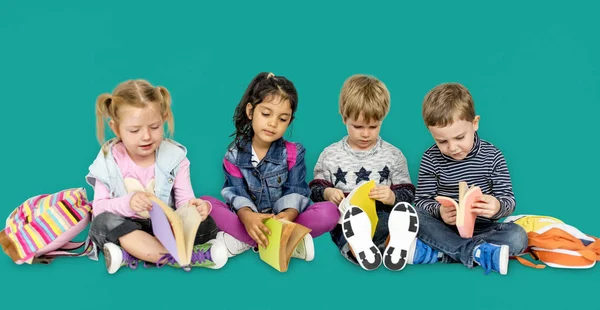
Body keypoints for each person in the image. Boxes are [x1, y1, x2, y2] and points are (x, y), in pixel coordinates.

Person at [86, 79, 228, 274]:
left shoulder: (175, 157)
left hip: (166, 230)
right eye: (135, 130)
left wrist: (198, 208)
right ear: (116, 128)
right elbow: (99, 207)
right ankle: (184, 258)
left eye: (154, 127)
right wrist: (129, 203)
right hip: (129, 228)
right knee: (103, 223)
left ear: (164, 119)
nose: (146, 136)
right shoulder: (108, 161)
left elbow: (184, 201)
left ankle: (131, 256)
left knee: (207, 225)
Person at [205, 72, 339, 260]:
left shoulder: (293, 152)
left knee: (330, 212)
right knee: (205, 204)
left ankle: (247, 242)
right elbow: (235, 192)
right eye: (266, 114)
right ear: (250, 111)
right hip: (247, 221)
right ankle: (283, 243)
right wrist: (248, 217)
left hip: (283, 221)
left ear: (289, 121)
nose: (273, 123)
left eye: (282, 119)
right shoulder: (233, 156)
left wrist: (288, 215)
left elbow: (296, 190)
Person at [412, 82, 528, 275]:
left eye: (459, 137)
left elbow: (508, 200)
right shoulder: (430, 158)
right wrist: (439, 211)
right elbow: (421, 202)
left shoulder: (493, 156)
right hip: (444, 229)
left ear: (475, 123)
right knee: (412, 215)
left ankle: (443, 253)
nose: (452, 147)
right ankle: (475, 252)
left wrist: (497, 207)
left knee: (517, 237)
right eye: (442, 141)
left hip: (484, 230)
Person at [309, 74, 419, 271]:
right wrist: (327, 193)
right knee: (342, 229)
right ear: (344, 118)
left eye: (373, 126)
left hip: (380, 213)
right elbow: (315, 188)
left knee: (388, 223)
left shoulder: (393, 155)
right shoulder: (330, 154)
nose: (365, 133)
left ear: (382, 120)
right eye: (358, 126)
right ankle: (359, 248)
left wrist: (392, 196)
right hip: (346, 218)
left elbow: (408, 193)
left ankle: (393, 246)